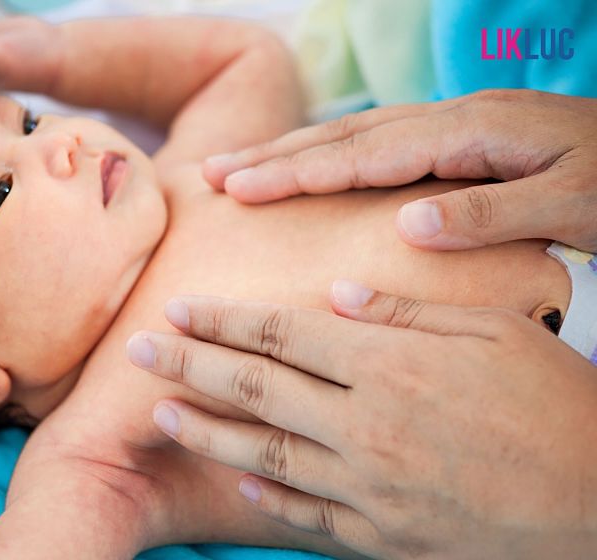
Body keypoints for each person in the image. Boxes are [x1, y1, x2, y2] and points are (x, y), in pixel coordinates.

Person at [0, 1, 587, 559]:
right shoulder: (94, 453)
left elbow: (246, 57)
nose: (61, 145)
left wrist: (57, 57)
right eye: (0, 193)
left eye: (28, 121)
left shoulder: (194, 175)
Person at [128, 83, 597, 557]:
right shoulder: (83, 443)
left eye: (45, 119)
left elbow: (234, 59)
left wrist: (58, 57)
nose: (59, 143)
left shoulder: (182, 178)